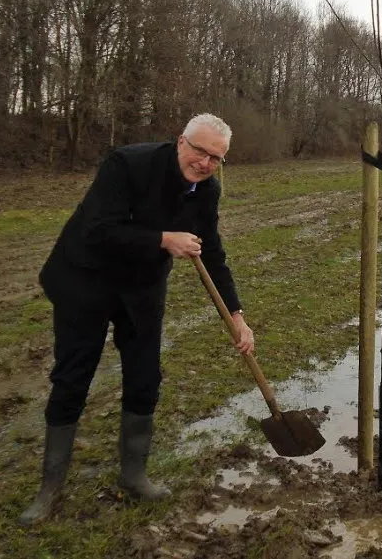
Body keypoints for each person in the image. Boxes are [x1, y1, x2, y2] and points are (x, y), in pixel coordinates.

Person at [19, 114, 255, 526]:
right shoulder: (128, 164)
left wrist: (236, 315)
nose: (205, 163)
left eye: (216, 158)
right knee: (73, 376)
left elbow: (211, 250)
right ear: (181, 141)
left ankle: (133, 474)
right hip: (85, 279)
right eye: (200, 151)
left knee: (145, 377)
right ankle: (50, 487)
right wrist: (163, 239)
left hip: (142, 288)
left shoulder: (206, 191)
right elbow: (97, 229)